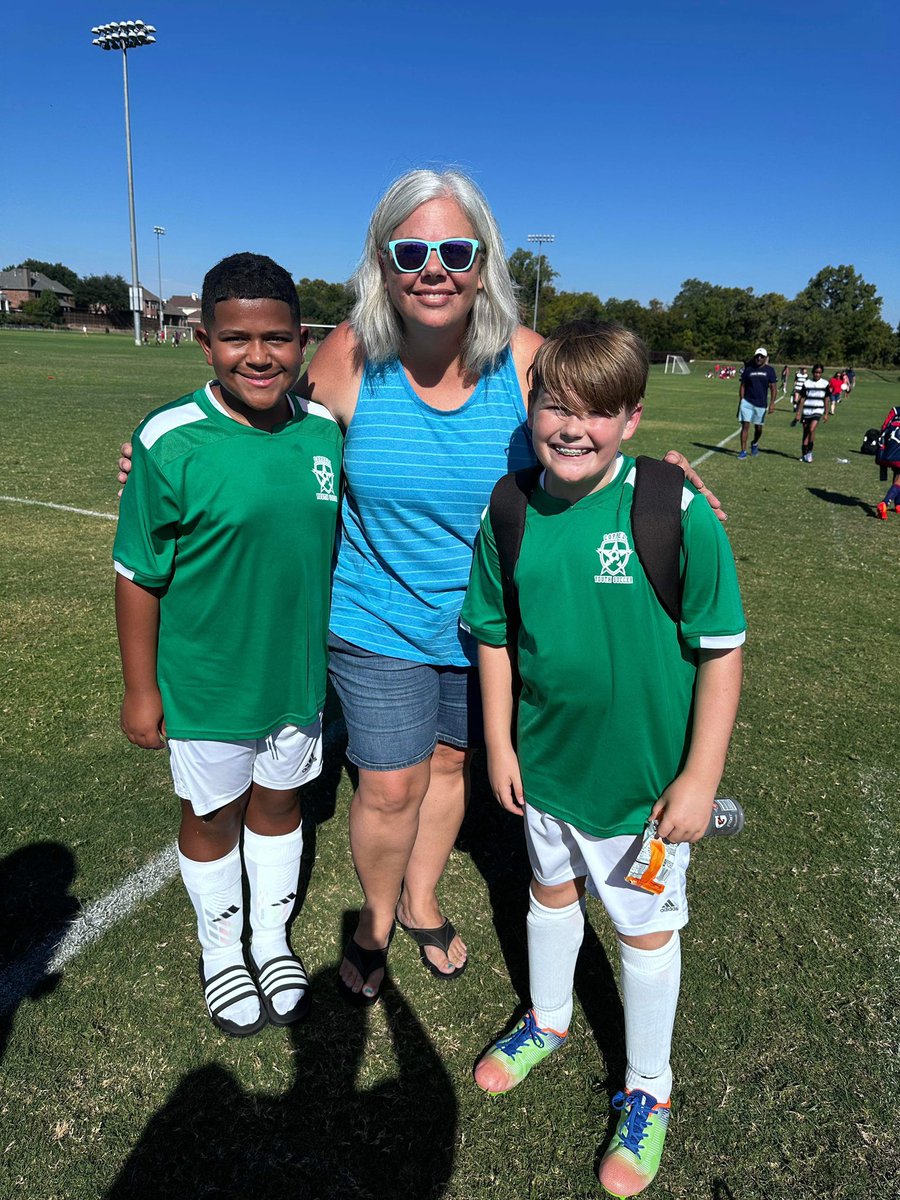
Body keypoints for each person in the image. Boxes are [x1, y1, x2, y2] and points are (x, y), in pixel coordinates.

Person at [119, 169, 724, 1006]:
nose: (433, 268)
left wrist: (664, 479)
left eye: (454, 249)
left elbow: (595, 428)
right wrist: (149, 458)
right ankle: (372, 920)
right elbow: (255, 417)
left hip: (491, 629)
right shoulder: (350, 356)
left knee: (450, 766)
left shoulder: (524, 359)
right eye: (412, 250)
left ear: (485, 262)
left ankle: (421, 898)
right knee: (391, 780)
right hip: (374, 614)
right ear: (382, 262)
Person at [461, 321, 745, 1199]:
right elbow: (497, 640)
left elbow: (722, 648)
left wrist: (699, 778)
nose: (572, 428)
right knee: (548, 892)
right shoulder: (507, 510)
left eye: (598, 412)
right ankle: (548, 1020)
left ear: (631, 417)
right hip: (545, 770)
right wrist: (502, 743)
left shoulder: (671, 507)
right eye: (555, 407)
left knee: (644, 930)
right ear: (532, 407)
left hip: (642, 791)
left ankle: (648, 1090)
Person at [113, 253, 342, 1036]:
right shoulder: (169, 438)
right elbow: (137, 573)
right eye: (237, 338)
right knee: (211, 815)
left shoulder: (323, 433)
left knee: (280, 805)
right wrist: (141, 689)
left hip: (296, 677)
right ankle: (221, 950)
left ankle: (270, 940)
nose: (259, 355)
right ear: (205, 341)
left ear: (301, 340)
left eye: (276, 338)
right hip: (208, 679)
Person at [737, 347, 777, 457]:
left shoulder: (770, 370)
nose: (759, 358)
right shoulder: (748, 369)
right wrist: (742, 400)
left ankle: (754, 443)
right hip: (747, 402)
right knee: (745, 426)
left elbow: (773, 388)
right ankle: (743, 451)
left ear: (765, 358)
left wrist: (772, 403)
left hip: (761, 403)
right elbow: (742, 386)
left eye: (761, 357)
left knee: (758, 428)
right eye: (757, 356)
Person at [796, 363, 830, 462]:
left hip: (818, 410)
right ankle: (804, 454)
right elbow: (802, 399)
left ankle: (810, 452)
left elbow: (827, 399)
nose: (817, 374)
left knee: (811, 429)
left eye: (819, 373)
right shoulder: (807, 383)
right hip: (806, 411)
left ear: (821, 373)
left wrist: (826, 413)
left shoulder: (825, 383)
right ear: (812, 372)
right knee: (805, 432)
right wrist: (798, 412)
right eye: (815, 372)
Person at [875, 403, 900, 518]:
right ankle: (884, 503)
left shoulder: (895, 410)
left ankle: (898, 504)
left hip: (889, 450)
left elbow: (884, 427)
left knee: (898, 473)